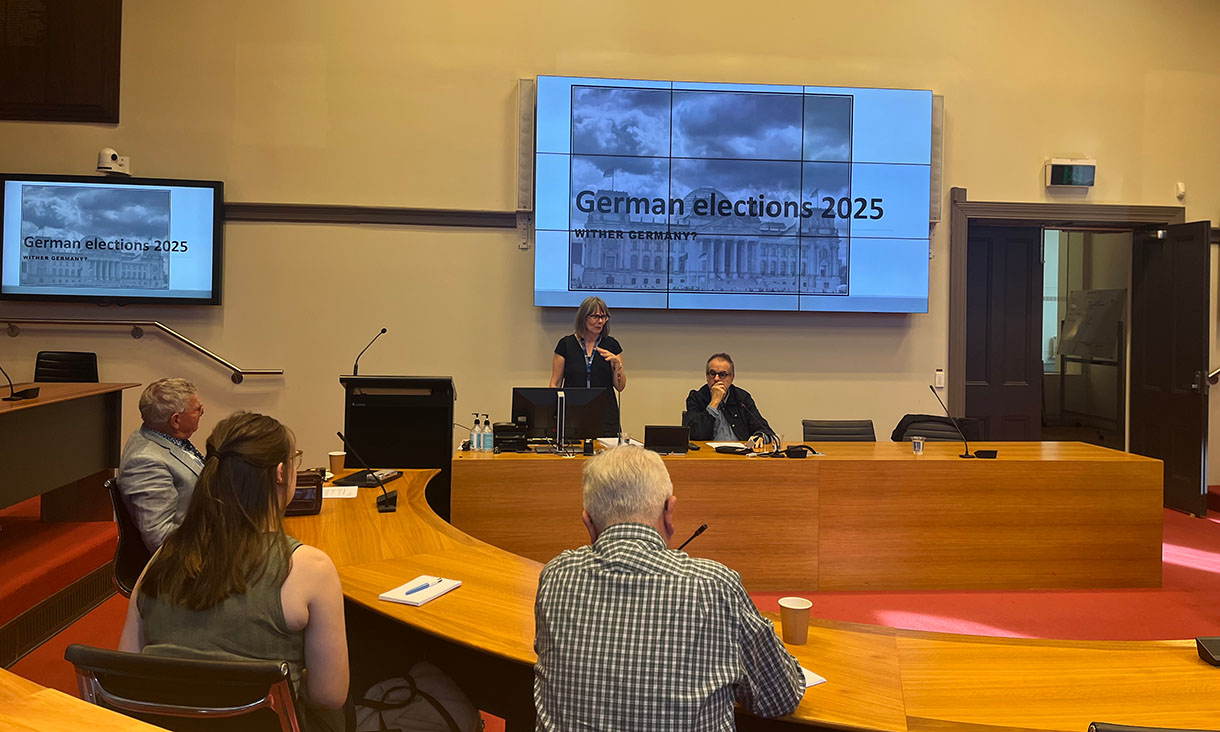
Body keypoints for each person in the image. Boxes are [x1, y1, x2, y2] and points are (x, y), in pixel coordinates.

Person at [533, 445, 805, 729]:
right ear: (669, 511)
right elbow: (779, 698)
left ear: (588, 522)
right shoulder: (713, 585)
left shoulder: (556, 575)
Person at [119, 411, 348, 732]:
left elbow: (128, 669)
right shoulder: (311, 568)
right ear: (281, 473)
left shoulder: (161, 559)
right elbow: (329, 696)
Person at [118, 377, 206, 552]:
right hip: (191, 559)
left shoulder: (161, 435)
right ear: (176, 420)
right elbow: (160, 538)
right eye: (197, 409)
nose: (203, 411)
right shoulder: (145, 463)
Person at [550, 295, 626, 436]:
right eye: (595, 316)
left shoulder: (612, 345)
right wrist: (555, 414)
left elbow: (620, 387)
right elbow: (555, 383)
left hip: (605, 416)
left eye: (604, 317)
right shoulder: (566, 344)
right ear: (583, 317)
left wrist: (617, 365)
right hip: (572, 413)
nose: (600, 321)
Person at [683, 353, 775, 443]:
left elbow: (765, 430)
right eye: (712, 373)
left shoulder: (742, 398)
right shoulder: (696, 398)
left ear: (732, 378)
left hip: (739, 455)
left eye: (722, 374)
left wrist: (760, 437)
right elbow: (694, 435)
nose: (716, 378)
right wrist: (714, 402)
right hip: (707, 455)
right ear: (707, 376)